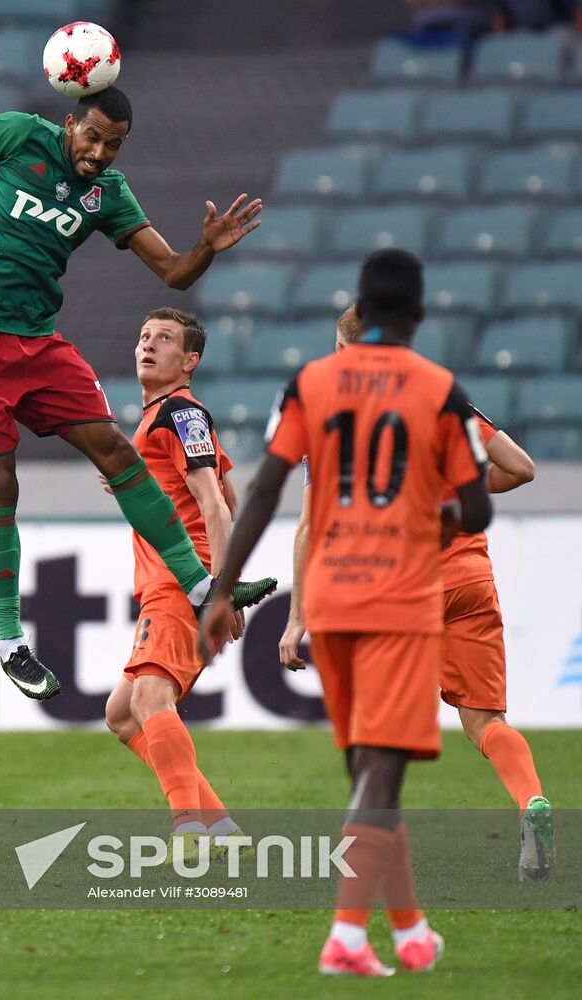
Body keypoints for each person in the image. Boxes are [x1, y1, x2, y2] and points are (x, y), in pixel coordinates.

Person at [0, 87, 275, 701]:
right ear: (70, 122)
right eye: (93, 137)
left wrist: (206, 246)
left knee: (117, 450)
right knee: (0, 483)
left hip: (38, 342)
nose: (99, 153)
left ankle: (199, 583)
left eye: (114, 145)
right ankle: (9, 641)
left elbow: (175, 272)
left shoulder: (109, 193)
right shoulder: (18, 133)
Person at [199, 249, 492, 977]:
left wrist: (220, 587)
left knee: (365, 765)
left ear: (357, 309)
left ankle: (412, 928)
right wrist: (422, 512)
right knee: (382, 770)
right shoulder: (440, 391)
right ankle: (346, 936)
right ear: (417, 314)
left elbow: (265, 490)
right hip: (397, 598)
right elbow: (478, 504)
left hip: (330, 595)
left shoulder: (310, 383)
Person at [280, 305, 555, 882]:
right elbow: (520, 468)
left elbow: (311, 525)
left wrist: (297, 616)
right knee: (486, 721)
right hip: (469, 577)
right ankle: (531, 801)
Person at [105, 306, 253, 858]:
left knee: (149, 695)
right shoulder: (163, 419)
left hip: (181, 579)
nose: (148, 345)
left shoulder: (180, 413)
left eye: (164, 339)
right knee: (121, 714)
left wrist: (219, 588)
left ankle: (187, 825)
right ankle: (219, 827)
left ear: (188, 361)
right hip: (170, 581)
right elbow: (229, 495)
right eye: (144, 336)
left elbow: (214, 504)